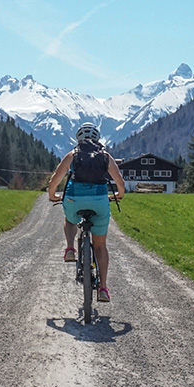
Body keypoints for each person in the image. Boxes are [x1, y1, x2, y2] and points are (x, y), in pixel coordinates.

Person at [47, 123, 126, 303]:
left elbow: (54, 181)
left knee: (70, 219)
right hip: (99, 201)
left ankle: (70, 248)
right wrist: (119, 196)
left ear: (78, 139)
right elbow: (119, 182)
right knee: (100, 245)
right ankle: (103, 288)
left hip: (74, 199)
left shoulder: (72, 155)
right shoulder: (105, 156)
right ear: (97, 139)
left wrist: (53, 196)